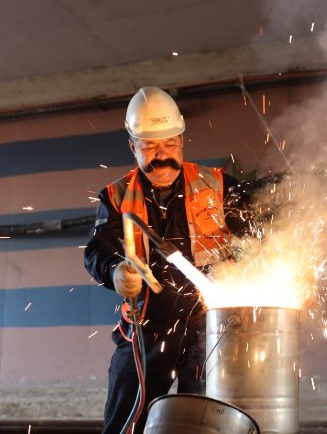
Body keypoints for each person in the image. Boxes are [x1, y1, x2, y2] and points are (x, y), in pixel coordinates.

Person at [84, 86, 249, 434]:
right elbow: (97, 251)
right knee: (127, 417)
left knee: (204, 421)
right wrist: (114, 271)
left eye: (170, 144)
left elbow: (255, 230)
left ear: (182, 140)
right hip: (146, 326)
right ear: (132, 146)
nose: (162, 156)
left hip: (208, 325)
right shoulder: (115, 196)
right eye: (149, 146)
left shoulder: (218, 186)